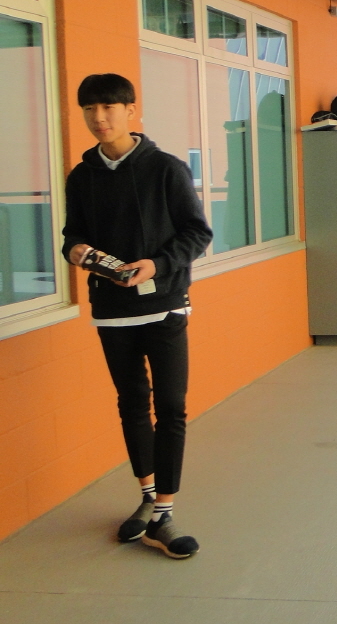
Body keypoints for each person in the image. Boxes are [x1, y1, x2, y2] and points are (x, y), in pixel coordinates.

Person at [61, 73, 213, 559]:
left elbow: (197, 233)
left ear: (130, 110)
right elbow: (72, 235)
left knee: (170, 406)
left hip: (164, 305)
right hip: (112, 311)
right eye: (90, 109)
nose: (99, 118)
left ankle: (164, 513)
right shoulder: (81, 177)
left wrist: (158, 264)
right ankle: (148, 497)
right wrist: (76, 251)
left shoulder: (166, 169)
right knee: (131, 403)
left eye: (108, 107)